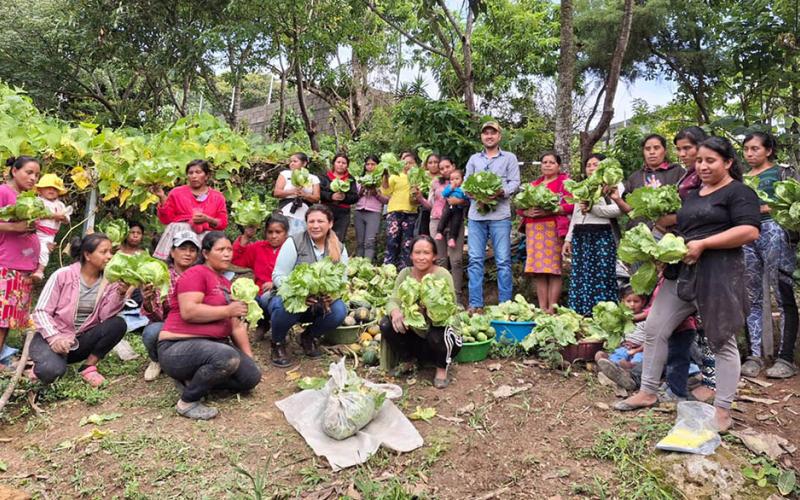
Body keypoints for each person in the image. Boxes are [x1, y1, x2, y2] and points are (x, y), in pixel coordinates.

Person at [615, 137, 761, 432]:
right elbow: (679, 226)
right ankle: (647, 392)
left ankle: (722, 409)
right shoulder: (693, 194)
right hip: (681, 273)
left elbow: (749, 231)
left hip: (719, 274)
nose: (703, 166)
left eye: (711, 161)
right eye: (700, 161)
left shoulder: (739, 192)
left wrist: (704, 244)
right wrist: (663, 252)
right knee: (655, 328)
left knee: (722, 341)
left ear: (728, 162)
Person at [157, 232, 262, 420]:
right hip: (176, 346)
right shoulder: (195, 273)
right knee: (225, 356)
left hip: (213, 347)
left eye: (229, 250)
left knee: (250, 377)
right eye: (220, 249)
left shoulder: (226, 283)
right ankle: (187, 401)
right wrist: (228, 310)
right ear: (205, 254)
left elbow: (236, 327)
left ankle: (193, 379)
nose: (227, 254)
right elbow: (189, 311)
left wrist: (249, 358)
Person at [28, 234, 130, 386]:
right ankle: (41, 362)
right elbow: (41, 312)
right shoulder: (62, 275)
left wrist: (120, 293)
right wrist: (55, 338)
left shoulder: (109, 281)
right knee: (50, 372)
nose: (110, 256)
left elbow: (105, 315)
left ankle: (88, 366)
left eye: (111, 252)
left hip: (78, 341)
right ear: (87, 255)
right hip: (51, 338)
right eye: (104, 252)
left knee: (118, 324)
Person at [741, 131, 799, 379]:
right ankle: (755, 356)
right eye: (746, 149)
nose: (750, 153)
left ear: (768, 150)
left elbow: (792, 203)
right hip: (746, 236)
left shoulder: (782, 173)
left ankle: (785, 358)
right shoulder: (741, 179)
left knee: (783, 292)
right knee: (751, 296)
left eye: (755, 149)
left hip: (776, 233)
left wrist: (764, 207)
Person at [268, 205, 348, 367]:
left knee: (339, 310)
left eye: (320, 221)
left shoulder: (339, 247)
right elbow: (278, 275)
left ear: (330, 223)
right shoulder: (294, 241)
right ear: (306, 224)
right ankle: (277, 343)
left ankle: (309, 337)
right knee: (283, 308)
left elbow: (342, 280)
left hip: (319, 304)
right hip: (291, 299)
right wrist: (299, 293)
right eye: (311, 221)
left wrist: (332, 295)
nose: (315, 225)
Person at [380, 235, 462, 388]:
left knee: (437, 332)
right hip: (418, 334)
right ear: (411, 255)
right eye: (417, 253)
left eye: (426, 253)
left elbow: (450, 308)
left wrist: (429, 311)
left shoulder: (442, 275)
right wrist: (396, 312)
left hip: (443, 335)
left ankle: (441, 369)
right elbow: (392, 301)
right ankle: (409, 360)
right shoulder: (405, 273)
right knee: (386, 324)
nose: (421, 257)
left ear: (434, 256)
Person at [464, 121, 521, 312]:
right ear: (481, 137)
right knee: (474, 259)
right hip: (476, 216)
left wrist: (500, 192)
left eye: (493, 133)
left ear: (499, 136)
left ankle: (505, 305)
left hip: (500, 216)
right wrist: (474, 194)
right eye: (485, 133)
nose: (489, 136)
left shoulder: (509, 158)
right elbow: (466, 184)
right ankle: (475, 303)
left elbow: (515, 183)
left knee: (503, 261)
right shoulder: (474, 159)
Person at [563, 153, 623, 315]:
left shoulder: (613, 184)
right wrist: (568, 239)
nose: (591, 168)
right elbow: (576, 214)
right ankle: (581, 314)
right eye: (588, 165)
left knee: (603, 276)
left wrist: (594, 209)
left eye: (595, 164)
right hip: (581, 236)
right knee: (580, 276)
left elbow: (619, 210)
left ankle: (604, 315)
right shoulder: (582, 186)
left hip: (603, 235)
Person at [139, 230, 200, 381]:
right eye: (183, 249)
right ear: (172, 253)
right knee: (152, 331)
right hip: (169, 325)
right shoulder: (162, 276)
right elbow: (157, 316)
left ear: (197, 255)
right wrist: (147, 301)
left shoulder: (201, 275)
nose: (187, 253)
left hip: (195, 324)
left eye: (192, 250)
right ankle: (156, 360)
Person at [517, 151, 573, 313]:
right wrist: (526, 213)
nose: (547, 165)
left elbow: (572, 205)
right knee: (538, 270)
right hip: (534, 230)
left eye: (551, 162)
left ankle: (552, 308)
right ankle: (542, 308)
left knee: (554, 270)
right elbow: (520, 206)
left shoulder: (565, 183)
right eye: (544, 162)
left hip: (553, 229)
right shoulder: (534, 185)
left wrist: (551, 211)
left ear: (558, 166)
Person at [0, 157, 42, 367]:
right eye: (29, 172)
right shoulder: (3, 191)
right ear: (14, 171)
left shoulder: (26, 196)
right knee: (0, 320)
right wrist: (16, 228)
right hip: (6, 265)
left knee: (6, 320)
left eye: (36, 174)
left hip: (22, 267)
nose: (33, 178)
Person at [153, 160, 228, 260]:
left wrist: (207, 219)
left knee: (201, 270)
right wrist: (162, 197)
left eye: (198, 172)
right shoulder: (176, 193)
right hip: (178, 236)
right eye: (190, 173)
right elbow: (166, 219)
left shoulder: (217, 197)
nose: (194, 176)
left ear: (207, 175)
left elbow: (222, 223)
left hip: (205, 240)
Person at [232, 214, 290, 336]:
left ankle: (278, 331)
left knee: (269, 299)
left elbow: (297, 274)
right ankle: (260, 322)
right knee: (244, 298)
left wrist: (275, 283)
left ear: (286, 233)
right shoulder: (258, 247)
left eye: (278, 232)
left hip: (283, 293)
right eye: (270, 232)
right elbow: (236, 259)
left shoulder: (292, 249)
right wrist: (246, 236)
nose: (273, 236)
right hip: (258, 293)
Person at [613, 134, 685, 229]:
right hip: (640, 232)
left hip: (670, 233)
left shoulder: (678, 172)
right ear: (643, 152)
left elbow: (687, 205)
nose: (652, 152)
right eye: (647, 149)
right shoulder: (635, 177)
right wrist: (617, 199)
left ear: (665, 151)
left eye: (656, 148)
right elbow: (630, 211)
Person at [427, 157, 466, 304]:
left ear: (453, 166)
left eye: (447, 167)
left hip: (456, 222)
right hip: (437, 221)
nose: (444, 170)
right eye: (442, 168)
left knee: (456, 260)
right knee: (441, 259)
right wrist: (418, 197)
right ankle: (442, 296)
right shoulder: (435, 183)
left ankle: (457, 297)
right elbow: (429, 204)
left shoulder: (462, 181)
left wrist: (461, 201)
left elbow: (469, 199)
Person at [382, 151, 419, 269]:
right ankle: (388, 269)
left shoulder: (418, 178)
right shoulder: (395, 176)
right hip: (394, 212)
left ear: (416, 164)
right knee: (392, 241)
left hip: (411, 213)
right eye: (405, 163)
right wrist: (385, 175)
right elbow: (386, 191)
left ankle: (404, 270)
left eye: (411, 163)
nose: (408, 165)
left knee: (407, 243)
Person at [32, 173, 72, 281]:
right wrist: (54, 215)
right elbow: (35, 214)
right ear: (40, 190)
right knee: (30, 249)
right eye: (48, 188)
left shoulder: (60, 205)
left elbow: (67, 219)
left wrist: (64, 218)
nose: (51, 190)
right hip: (36, 231)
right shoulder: (38, 201)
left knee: (44, 250)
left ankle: (40, 271)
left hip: (49, 234)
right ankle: (29, 268)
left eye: (55, 188)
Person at [274, 152, 321, 236]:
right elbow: (277, 193)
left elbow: (317, 198)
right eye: (291, 161)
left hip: (305, 211)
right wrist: (292, 191)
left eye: (295, 161)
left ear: (304, 163)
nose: (291, 164)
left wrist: (305, 195)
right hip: (286, 210)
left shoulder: (313, 178)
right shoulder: (285, 174)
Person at [353, 155, 387, 261]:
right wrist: (361, 191)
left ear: (378, 166)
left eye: (373, 164)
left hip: (374, 212)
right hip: (359, 211)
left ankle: (367, 265)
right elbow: (354, 197)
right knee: (359, 241)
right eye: (367, 164)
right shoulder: (360, 179)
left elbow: (387, 200)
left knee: (370, 242)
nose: (370, 166)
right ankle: (357, 265)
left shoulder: (383, 181)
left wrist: (376, 193)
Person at [319, 153, 358, 244]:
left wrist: (345, 197)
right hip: (326, 210)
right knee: (323, 235)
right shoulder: (324, 177)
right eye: (338, 162)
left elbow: (355, 197)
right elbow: (319, 192)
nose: (341, 164)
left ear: (347, 165)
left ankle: (336, 257)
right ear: (334, 163)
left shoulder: (350, 179)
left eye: (343, 163)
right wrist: (331, 196)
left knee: (338, 239)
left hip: (343, 213)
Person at [434, 169, 468, 249]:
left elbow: (466, 199)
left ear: (462, 180)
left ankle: (452, 238)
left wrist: (461, 200)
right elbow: (444, 194)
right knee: (444, 217)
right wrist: (450, 188)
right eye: (452, 179)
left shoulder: (463, 189)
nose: (454, 181)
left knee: (456, 223)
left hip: (458, 209)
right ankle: (439, 232)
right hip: (448, 206)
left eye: (457, 179)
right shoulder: (449, 187)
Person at [415, 152, 440, 236]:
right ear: (426, 165)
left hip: (440, 212)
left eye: (436, 162)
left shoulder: (443, 177)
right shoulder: (422, 176)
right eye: (430, 163)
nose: (433, 165)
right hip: (424, 211)